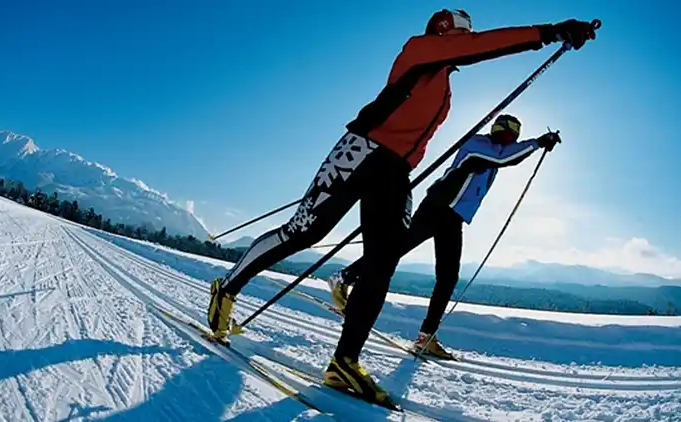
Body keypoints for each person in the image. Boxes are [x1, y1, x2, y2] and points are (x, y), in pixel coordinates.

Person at [207, 8, 597, 407]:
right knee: (307, 231)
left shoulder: (444, 83)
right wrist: (549, 33)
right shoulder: (420, 49)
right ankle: (228, 287)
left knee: (384, 257)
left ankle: (344, 361)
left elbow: (465, 59)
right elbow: (479, 47)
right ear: (447, 32)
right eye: (463, 33)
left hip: (395, 172)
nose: (468, 37)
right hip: (362, 150)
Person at [326, 114, 562, 360]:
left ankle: (426, 336)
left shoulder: (495, 151)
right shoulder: (479, 145)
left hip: (452, 216)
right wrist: (537, 143)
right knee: (397, 249)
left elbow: (507, 155)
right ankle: (344, 277)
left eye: (512, 136)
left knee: (447, 276)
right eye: (505, 134)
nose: (508, 139)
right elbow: (504, 158)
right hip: (438, 208)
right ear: (496, 131)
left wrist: (535, 144)